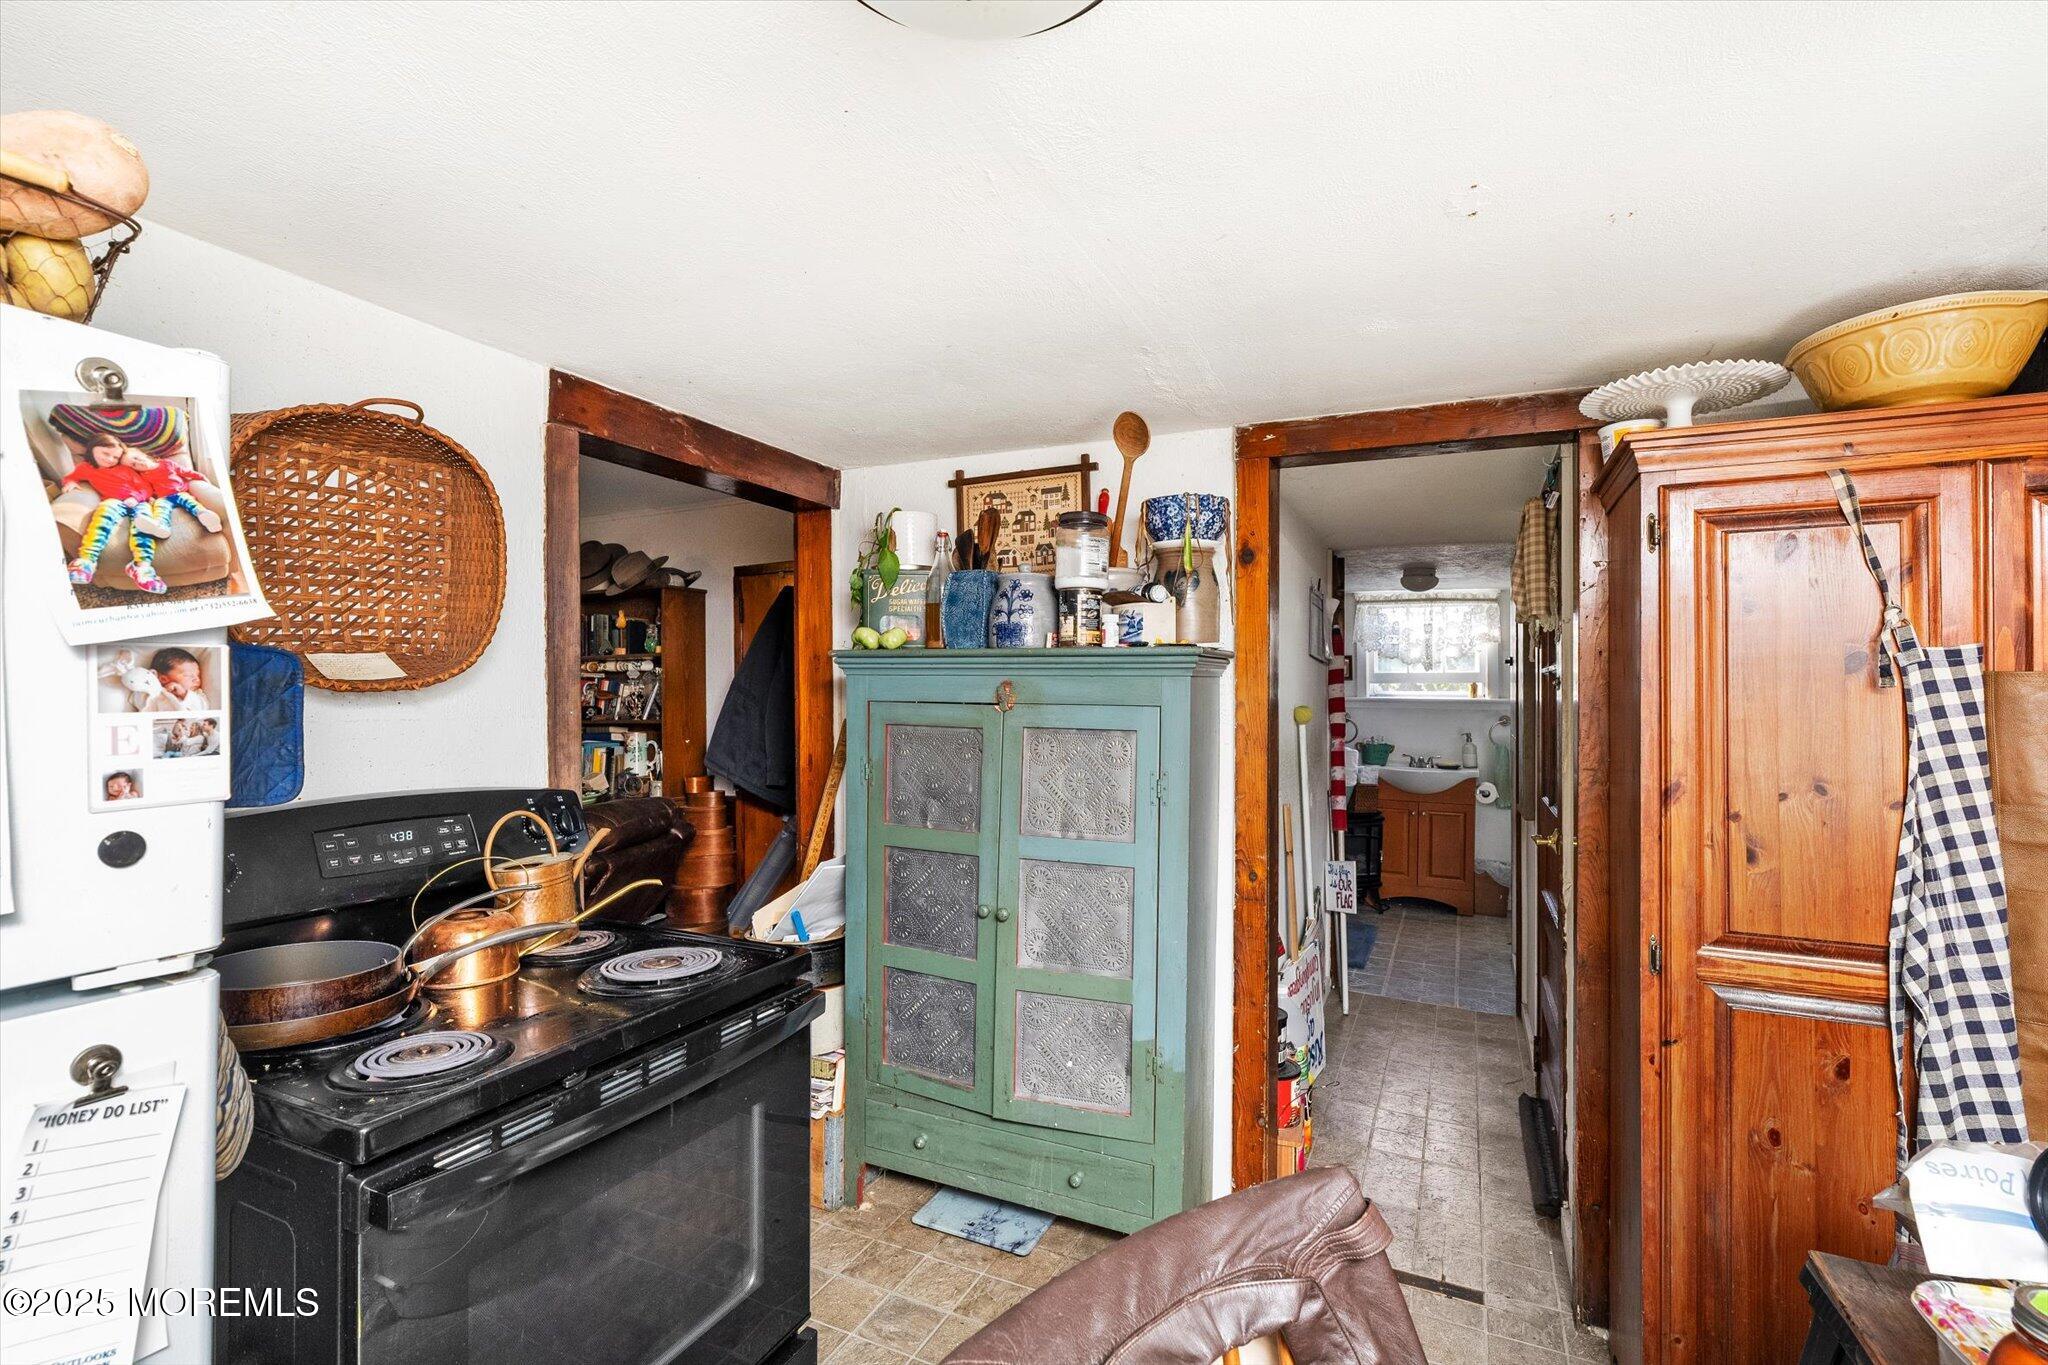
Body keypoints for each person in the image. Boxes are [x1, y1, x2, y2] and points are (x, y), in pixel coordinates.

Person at [61, 438, 161, 589]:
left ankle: (142, 567)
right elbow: (70, 477)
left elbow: (145, 488)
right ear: (93, 449)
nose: (110, 459)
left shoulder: (125, 469)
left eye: (115, 457)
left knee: (144, 524)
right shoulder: (85, 468)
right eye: (105, 453)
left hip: (139, 502)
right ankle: (87, 561)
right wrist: (69, 482)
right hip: (114, 501)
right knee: (103, 514)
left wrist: (136, 498)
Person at [143, 647, 211, 712]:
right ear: (163, 679)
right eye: (188, 675)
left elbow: (203, 708)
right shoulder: (154, 691)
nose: (197, 679)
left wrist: (184, 694)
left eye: (198, 675)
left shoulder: (196, 694)